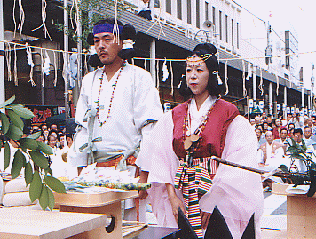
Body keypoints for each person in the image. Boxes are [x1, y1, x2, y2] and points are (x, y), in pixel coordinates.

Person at [136, 43, 263, 238]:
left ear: (211, 74)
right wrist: (171, 197)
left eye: (199, 70)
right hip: (181, 190)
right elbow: (161, 157)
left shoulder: (229, 114)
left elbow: (239, 161)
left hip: (217, 190)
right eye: (188, 70)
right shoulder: (174, 115)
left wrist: (213, 200)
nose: (192, 75)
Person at [68, 18, 163, 221]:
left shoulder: (140, 77)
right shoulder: (89, 80)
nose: (101, 45)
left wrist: (143, 179)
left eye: (107, 39)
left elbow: (150, 131)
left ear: (121, 42)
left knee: (128, 230)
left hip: (128, 173)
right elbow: (82, 129)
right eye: (96, 41)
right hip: (93, 175)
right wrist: (79, 176)